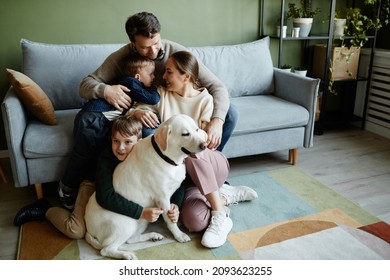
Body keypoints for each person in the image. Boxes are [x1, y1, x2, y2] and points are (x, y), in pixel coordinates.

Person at [99, 51, 257, 248]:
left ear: (186, 76)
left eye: (168, 72)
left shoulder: (205, 100)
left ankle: (218, 213)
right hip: (185, 176)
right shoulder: (162, 95)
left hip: (209, 164)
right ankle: (224, 196)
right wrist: (137, 112)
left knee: (192, 154)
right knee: (193, 222)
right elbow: (136, 111)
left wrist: (193, 138)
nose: (162, 76)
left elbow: (203, 141)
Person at [13, 115, 181, 239]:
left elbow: (169, 180)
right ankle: (44, 209)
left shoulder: (145, 154)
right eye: (116, 141)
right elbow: (105, 196)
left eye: (128, 142)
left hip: (126, 190)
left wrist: (175, 206)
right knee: (76, 230)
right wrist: (140, 212)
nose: (121, 148)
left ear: (140, 140)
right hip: (95, 186)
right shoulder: (107, 158)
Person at [58, 53, 160, 210]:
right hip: (91, 121)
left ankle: (88, 187)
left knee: (96, 153)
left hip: (96, 121)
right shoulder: (131, 83)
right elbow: (153, 99)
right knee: (81, 156)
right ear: (138, 76)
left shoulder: (129, 84)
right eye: (151, 74)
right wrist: (155, 87)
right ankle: (65, 188)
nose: (153, 77)